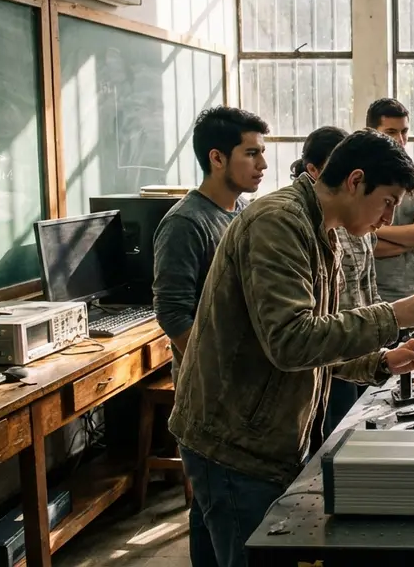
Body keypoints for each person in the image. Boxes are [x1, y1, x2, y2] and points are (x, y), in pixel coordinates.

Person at [169, 129, 414, 567]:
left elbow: (317, 338)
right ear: (355, 181)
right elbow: (291, 342)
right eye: (387, 201)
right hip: (235, 442)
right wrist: (392, 316)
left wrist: (380, 361)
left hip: (258, 438)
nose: (388, 218)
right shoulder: (278, 223)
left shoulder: (322, 230)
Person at [152, 106, 268, 567]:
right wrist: (219, 369)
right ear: (217, 158)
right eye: (251, 153)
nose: (262, 164)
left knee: (212, 513)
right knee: (223, 507)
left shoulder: (242, 212)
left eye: (262, 153)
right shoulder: (186, 222)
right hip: (212, 397)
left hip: (236, 389)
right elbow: (172, 312)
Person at [287, 126, 375, 435]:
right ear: (313, 170)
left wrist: (381, 350)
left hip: (354, 352)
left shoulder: (354, 222)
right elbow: (296, 336)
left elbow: (368, 287)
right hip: (326, 356)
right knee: (332, 437)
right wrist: (392, 318)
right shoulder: (288, 222)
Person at [365, 98, 414, 300]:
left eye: (404, 131)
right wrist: (411, 239)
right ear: (372, 132)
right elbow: (359, 245)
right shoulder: (359, 178)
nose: (400, 139)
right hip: (368, 292)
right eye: (391, 132)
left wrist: (374, 230)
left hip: (412, 290)